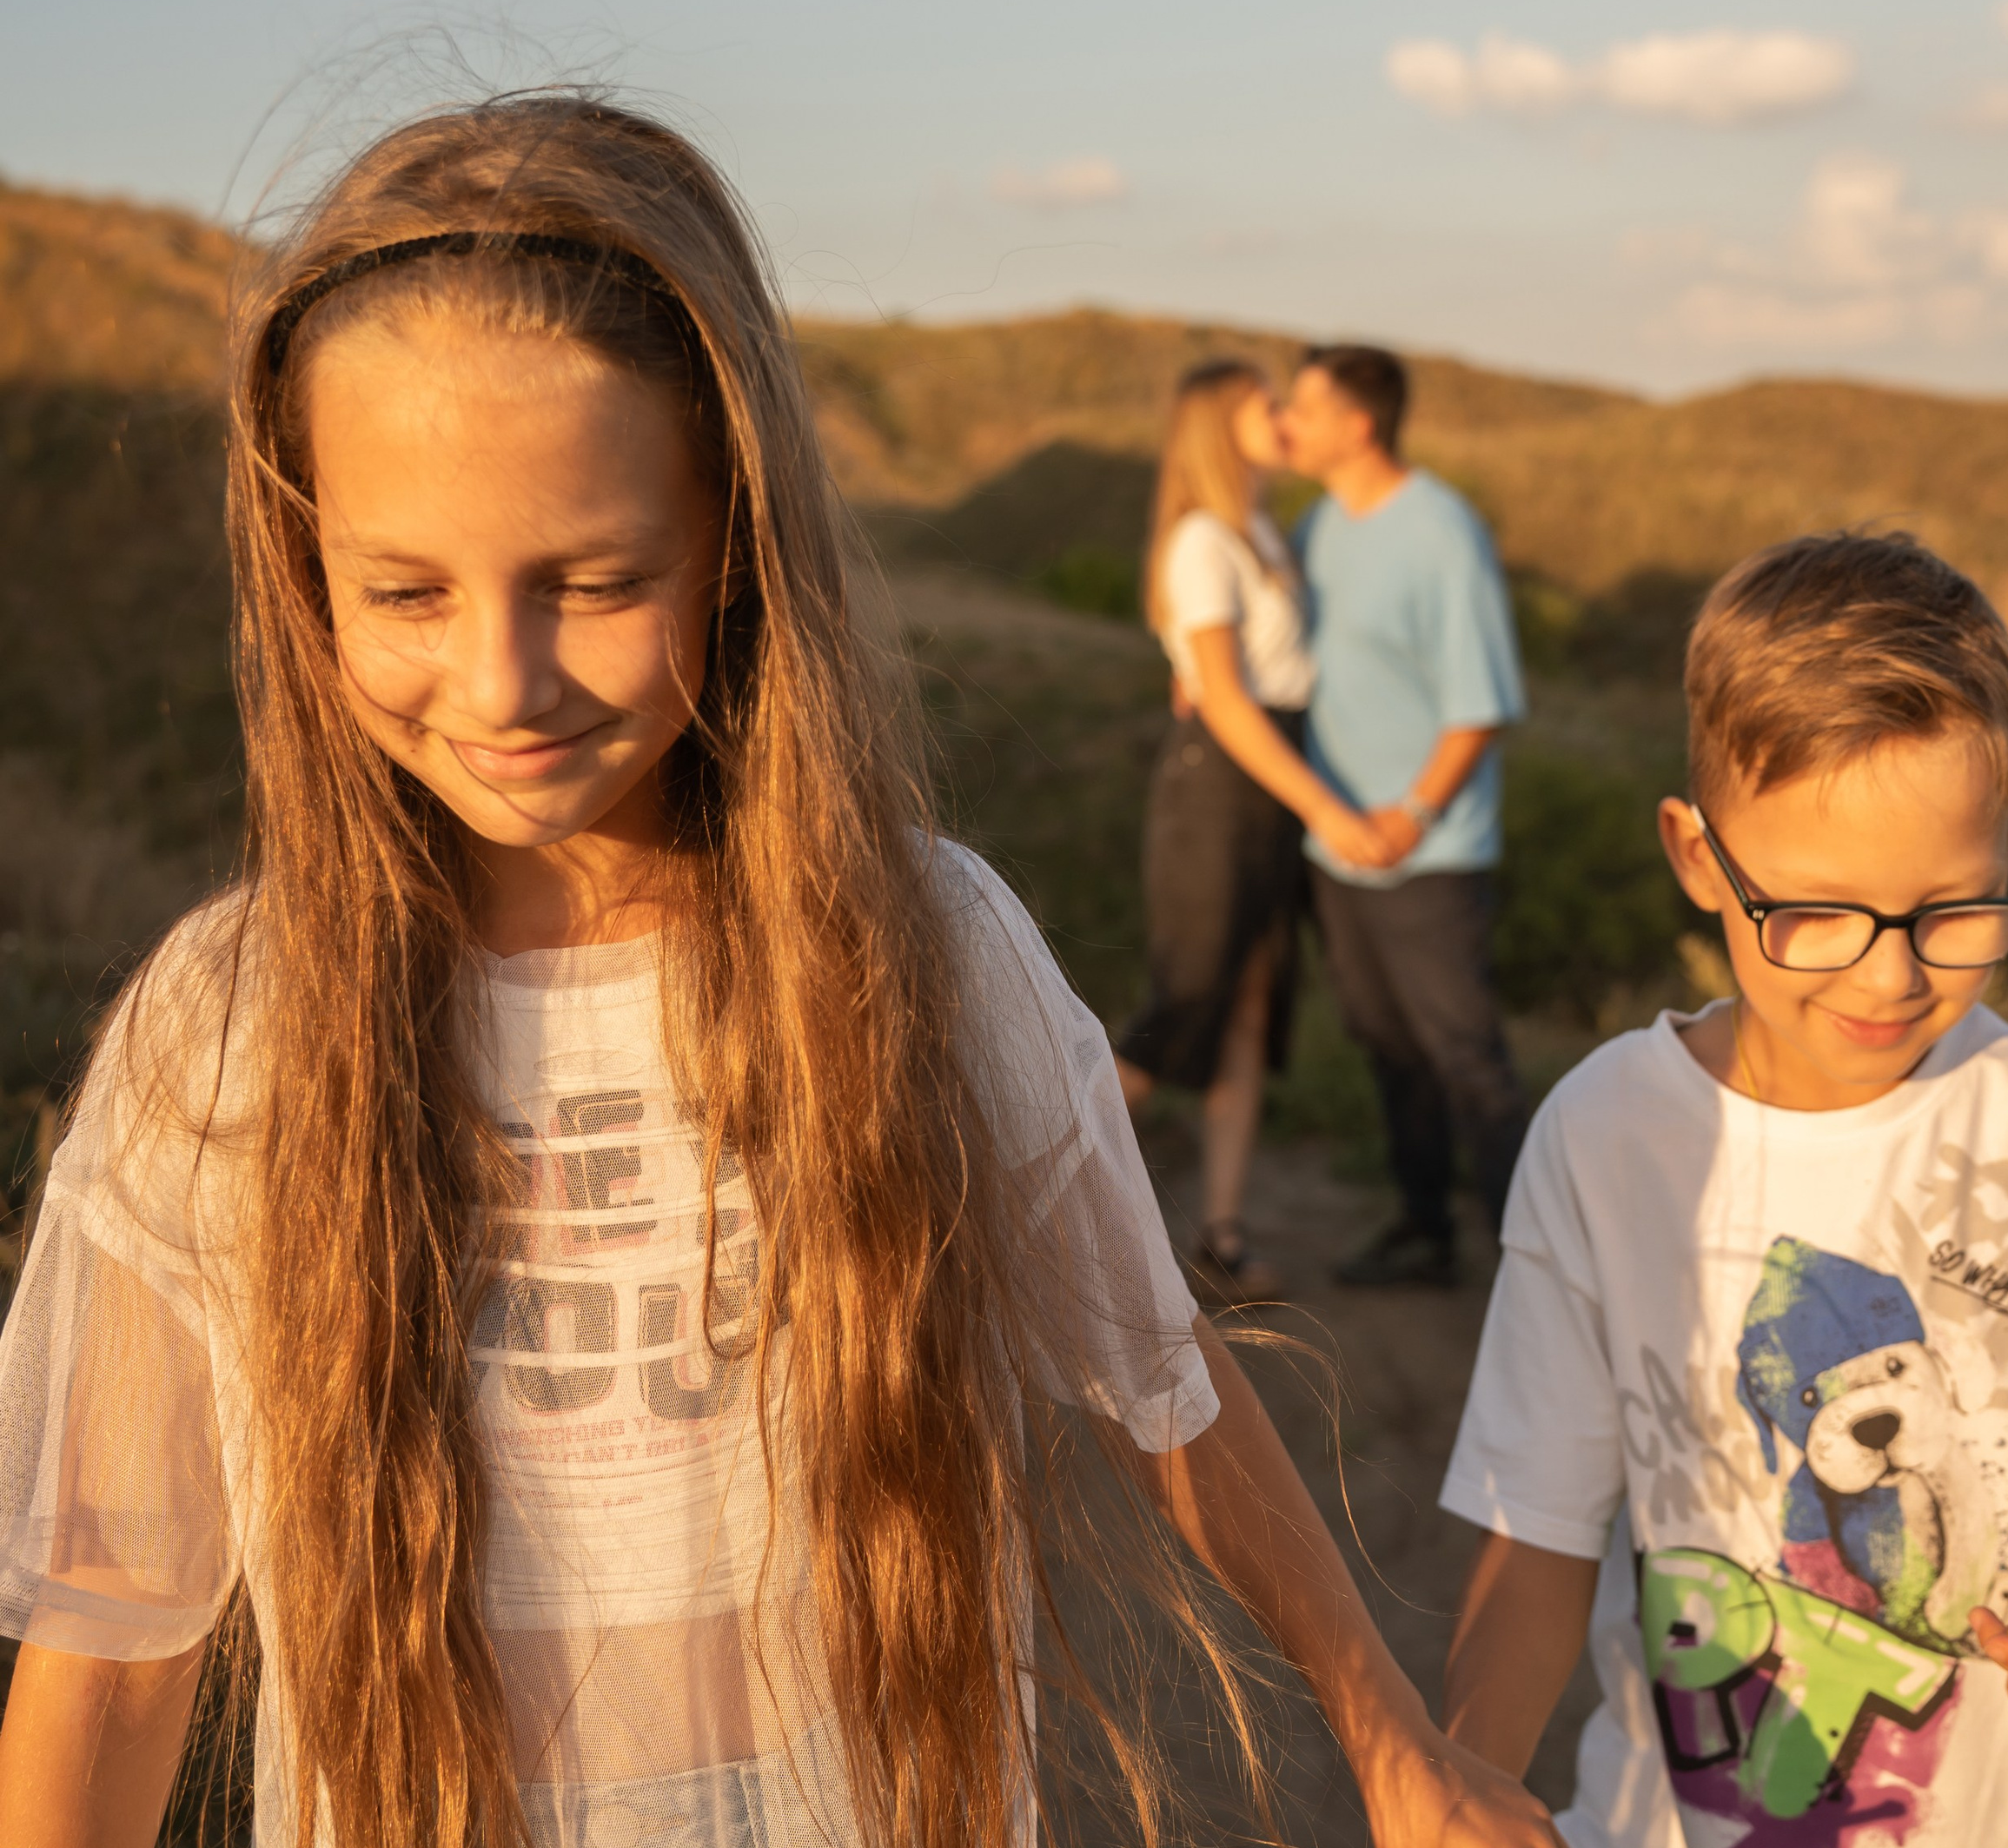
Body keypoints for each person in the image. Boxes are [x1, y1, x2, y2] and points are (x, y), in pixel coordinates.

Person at [0, 98, 1564, 1848]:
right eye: (405, 590)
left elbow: (1160, 1378)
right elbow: (116, 1652)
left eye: (593, 579)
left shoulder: (925, 954)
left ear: (733, 539)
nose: (501, 678)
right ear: (305, 582)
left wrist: (1390, 1739)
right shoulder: (227, 1031)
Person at [1439, 531, 2008, 1846]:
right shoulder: (1604, 1136)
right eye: (1815, 913)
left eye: (1953, 910)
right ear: (1696, 858)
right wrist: (1456, 1784)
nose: (1888, 978)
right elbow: (1537, 1537)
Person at [1115, 361, 1394, 1303]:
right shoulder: (1201, 540)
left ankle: (1220, 1238)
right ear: (1217, 428)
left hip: (1266, 775)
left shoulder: (1259, 529)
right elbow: (1226, 700)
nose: (1282, 418)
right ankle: (1007, 1197)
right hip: (1223, 787)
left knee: (1247, 1005)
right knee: (1182, 1005)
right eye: (1264, 407)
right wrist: (1326, 807)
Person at [1277, 345, 1529, 1288]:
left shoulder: (1439, 531)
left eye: (1302, 407)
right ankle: (1425, 1229)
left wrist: (1413, 814)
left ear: (1359, 422)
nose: (1287, 423)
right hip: (1336, 842)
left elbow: (1482, 701)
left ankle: (1532, 1264)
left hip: (1426, 849)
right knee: (1387, 1046)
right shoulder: (1316, 527)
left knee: (1467, 1060)